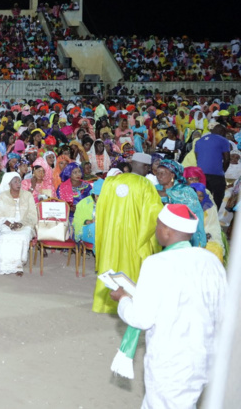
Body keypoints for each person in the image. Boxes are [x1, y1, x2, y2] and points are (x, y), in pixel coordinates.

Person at [109, 204, 226, 407]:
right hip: (206, 356)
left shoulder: (157, 263)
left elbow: (141, 318)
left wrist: (123, 299)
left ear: (167, 231)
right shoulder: (211, 260)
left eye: (157, 224)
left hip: (172, 361)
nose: (155, 229)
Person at [93, 172, 163, 314]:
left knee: (110, 261)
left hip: (111, 232)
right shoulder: (145, 184)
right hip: (135, 233)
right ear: (144, 167)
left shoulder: (110, 182)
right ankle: (130, 302)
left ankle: (105, 303)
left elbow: (100, 209)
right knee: (132, 264)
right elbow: (154, 213)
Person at [0, 172, 37, 276]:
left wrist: (21, 224)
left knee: (22, 237)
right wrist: (10, 225)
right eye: (15, 181)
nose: (18, 183)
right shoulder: (2, 196)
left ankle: (18, 266)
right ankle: (4, 265)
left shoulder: (27, 195)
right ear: (8, 183)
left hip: (25, 224)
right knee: (4, 237)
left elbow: (32, 214)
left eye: (19, 181)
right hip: (6, 224)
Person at [155, 159, 206, 248]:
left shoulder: (185, 190)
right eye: (157, 173)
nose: (159, 176)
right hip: (159, 229)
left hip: (180, 231)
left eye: (162, 173)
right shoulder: (155, 188)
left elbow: (190, 210)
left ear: (172, 175)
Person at [194, 125, 231, 209]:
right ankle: (214, 215)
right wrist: (222, 171)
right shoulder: (223, 140)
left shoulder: (199, 141)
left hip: (201, 173)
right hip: (216, 174)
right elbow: (227, 159)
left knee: (204, 196)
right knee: (218, 196)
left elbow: (197, 157)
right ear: (222, 132)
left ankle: (204, 215)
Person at [72, 179, 103, 245]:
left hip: (104, 231)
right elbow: (77, 222)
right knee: (94, 227)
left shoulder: (109, 203)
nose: (100, 198)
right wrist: (88, 221)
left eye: (102, 196)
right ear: (93, 194)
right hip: (88, 230)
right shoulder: (83, 203)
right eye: (98, 196)